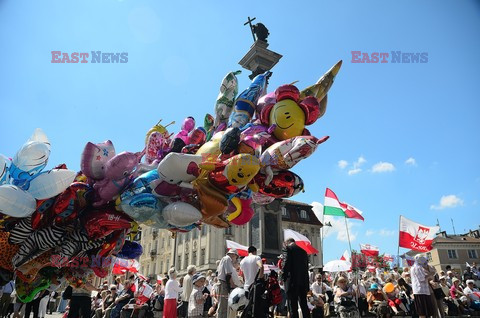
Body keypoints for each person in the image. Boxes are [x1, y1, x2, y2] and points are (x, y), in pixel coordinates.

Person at [281, 237, 310, 318]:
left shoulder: (287, 249)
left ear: (286, 243)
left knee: (293, 306)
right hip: (303, 282)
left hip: (292, 281)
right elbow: (306, 268)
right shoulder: (304, 252)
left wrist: (283, 276)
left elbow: (286, 262)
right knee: (304, 305)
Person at [216, 249, 242, 318]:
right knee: (223, 306)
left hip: (224, 283)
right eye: (236, 258)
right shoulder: (227, 259)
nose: (235, 260)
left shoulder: (226, 260)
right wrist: (233, 285)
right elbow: (228, 274)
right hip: (223, 283)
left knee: (224, 306)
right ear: (234, 255)